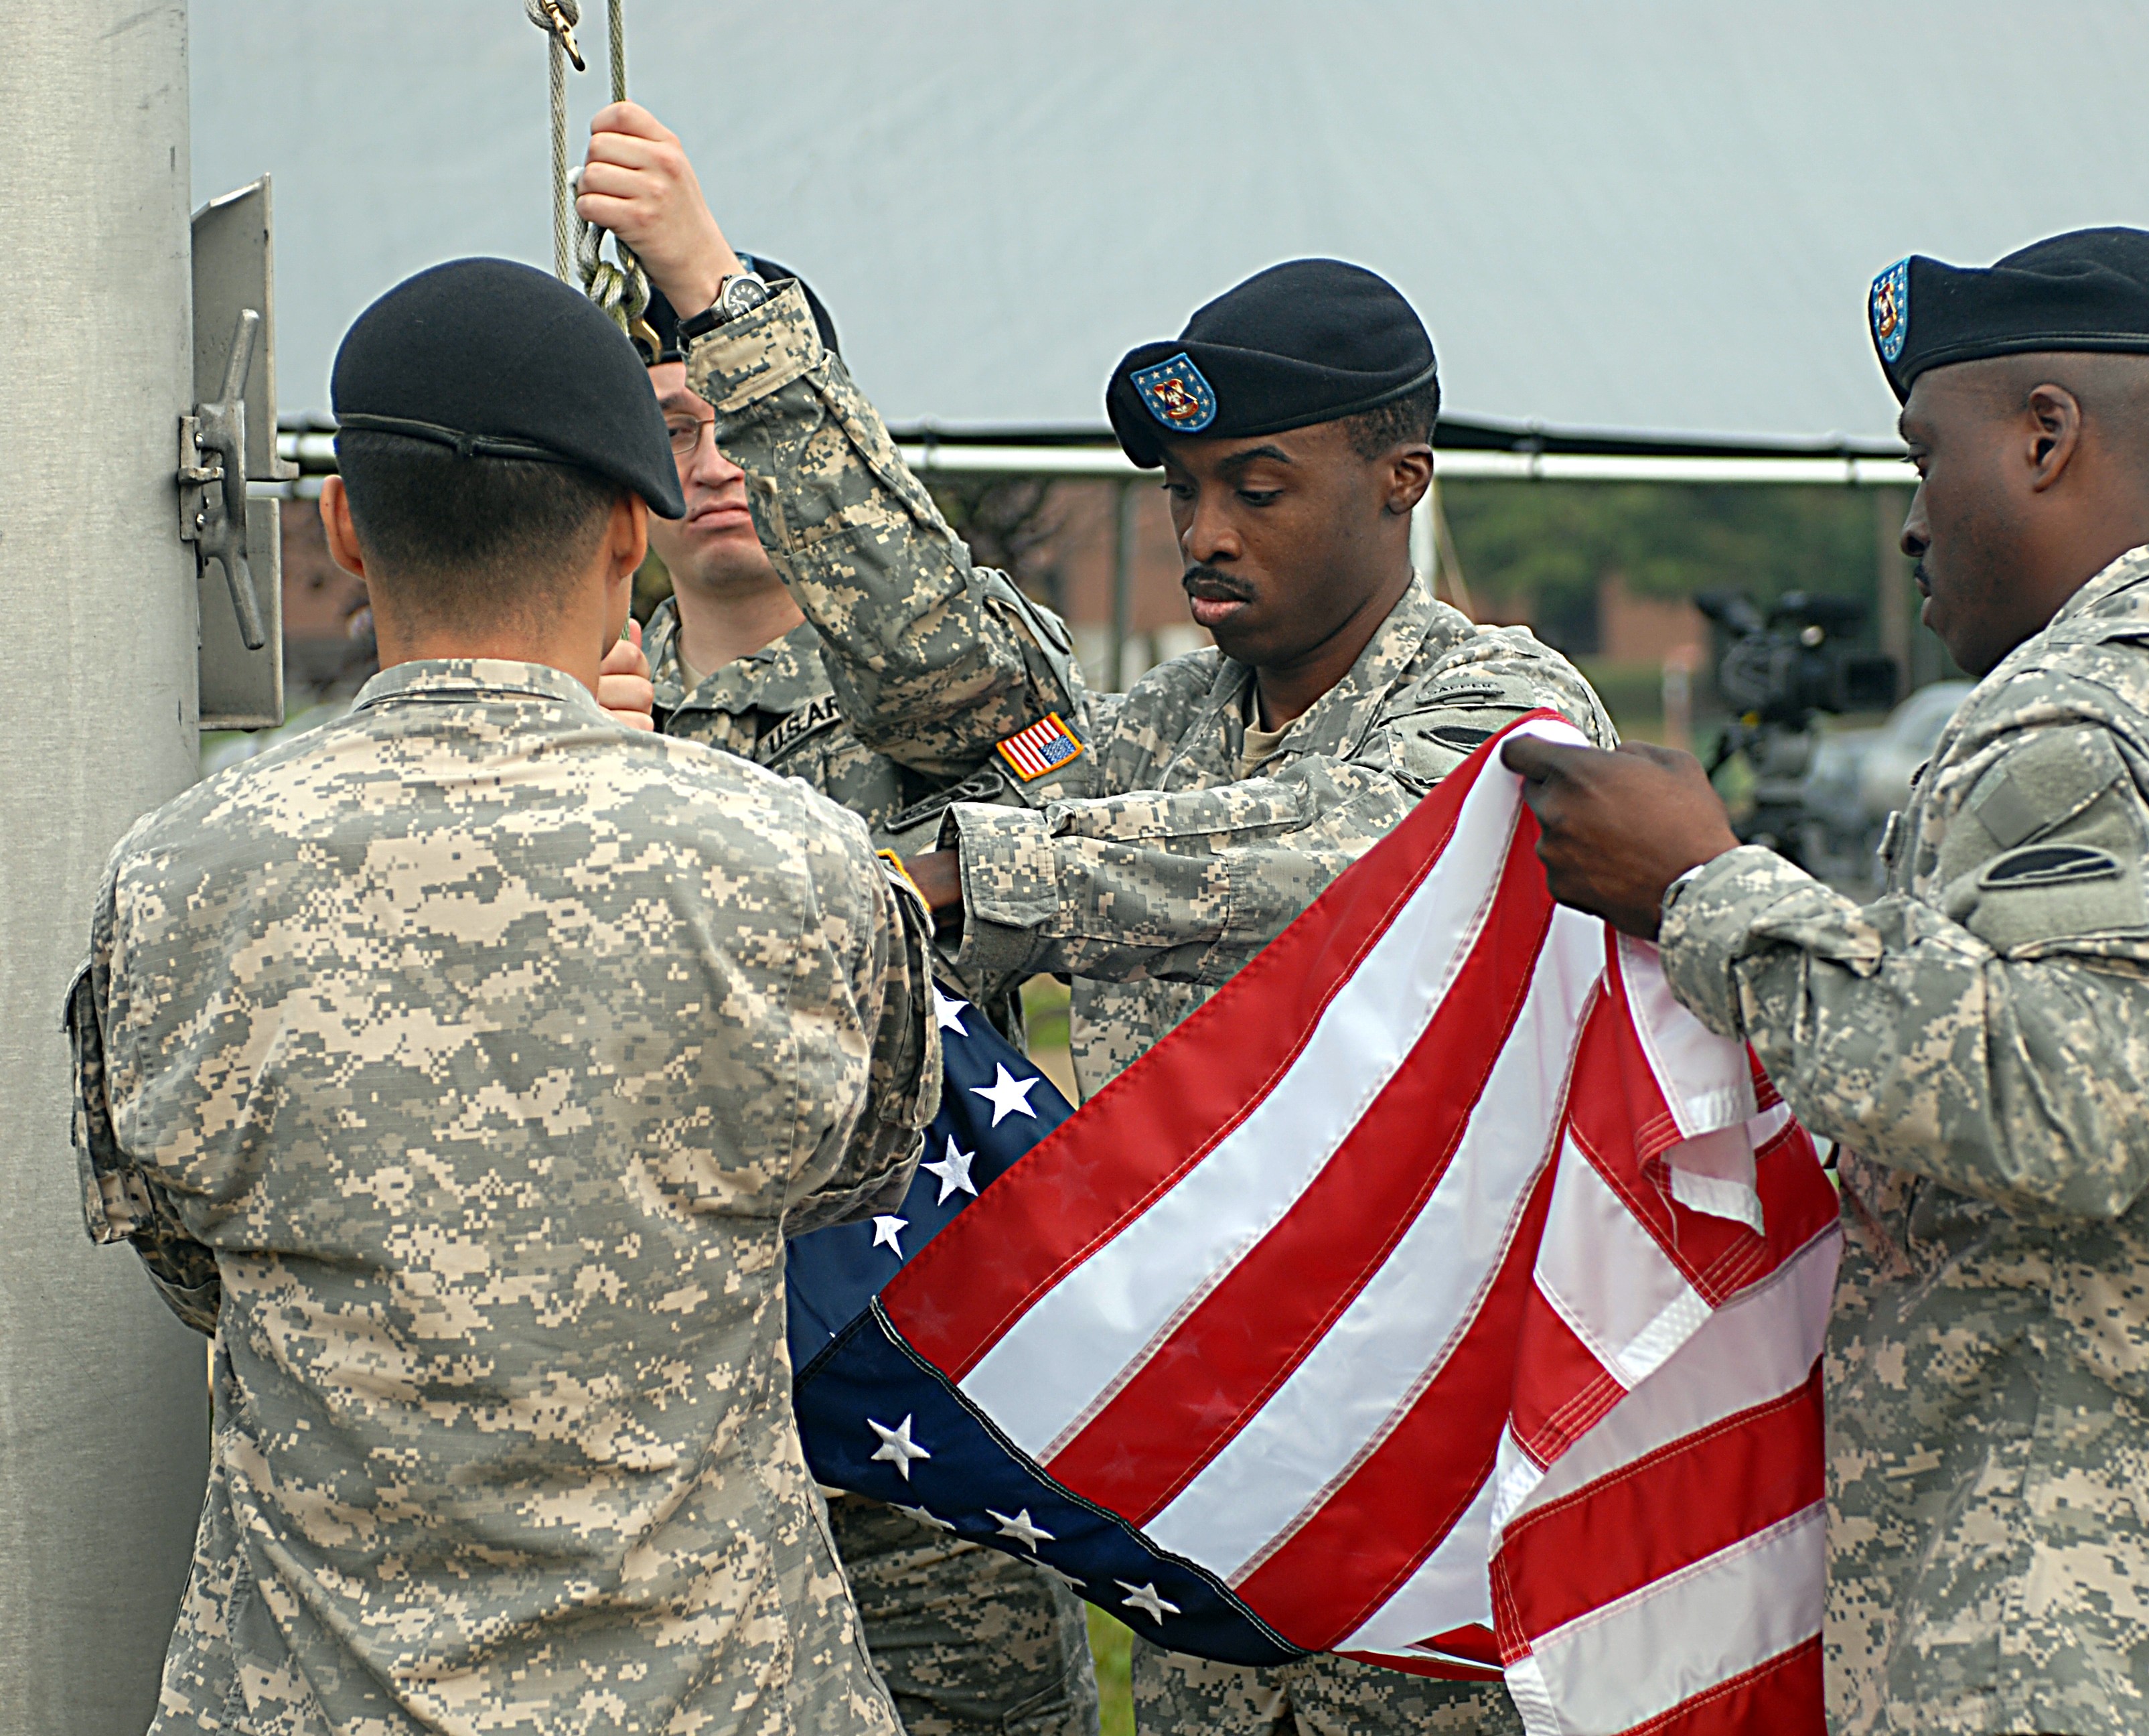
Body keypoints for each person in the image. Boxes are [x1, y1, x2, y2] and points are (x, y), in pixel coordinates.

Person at [579, 99, 1612, 1736]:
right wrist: (722, 309)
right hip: (1206, 1524)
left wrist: (972, 873)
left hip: (1427, 1531)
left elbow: (1326, 846)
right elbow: (943, 673)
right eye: (1185, 491)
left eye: (1255, 486)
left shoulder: (1499, 705)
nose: (1204, 535)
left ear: (1401, 479)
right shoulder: (1146, 735)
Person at [1499, 228, 2149, 1733]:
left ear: (2045, 435)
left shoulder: (2080, 709)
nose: (1915, 525)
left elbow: (2061, 1106)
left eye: (1926, 460)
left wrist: (1701, 890)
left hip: (2125, 1652)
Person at [66, 257, 940, 1735]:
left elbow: (182, 1256)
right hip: (718, 1692)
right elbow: (856, 1179)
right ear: (627, 528)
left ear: (341, 523)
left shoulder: (176, 876)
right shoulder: (799, 863)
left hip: (310, 1692)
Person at [622, 265, 1103, 1736]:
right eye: (672, 431)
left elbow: (1049, 789)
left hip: (923, 1412)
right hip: (677, 1414)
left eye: (740, 425)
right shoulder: (580, 708)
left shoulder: (938, 688)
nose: (712, 466)